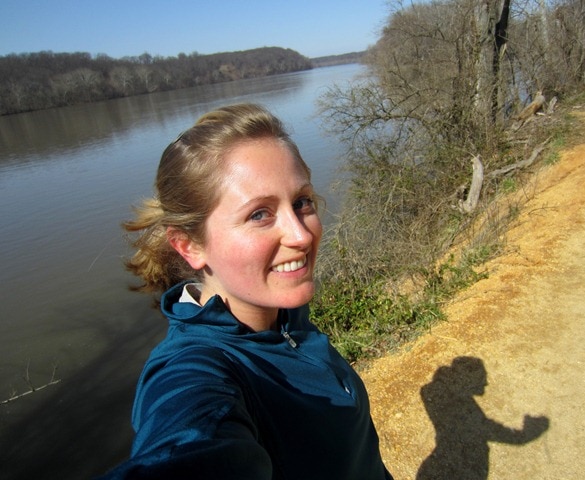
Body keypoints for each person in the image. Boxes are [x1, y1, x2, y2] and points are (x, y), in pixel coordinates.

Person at [98, 103, 393, 479]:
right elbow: (188, 444)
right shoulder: (197, 369)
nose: (301, 236)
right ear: (190, 245)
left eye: (301, 202)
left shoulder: (282, 315)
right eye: (259, 214)